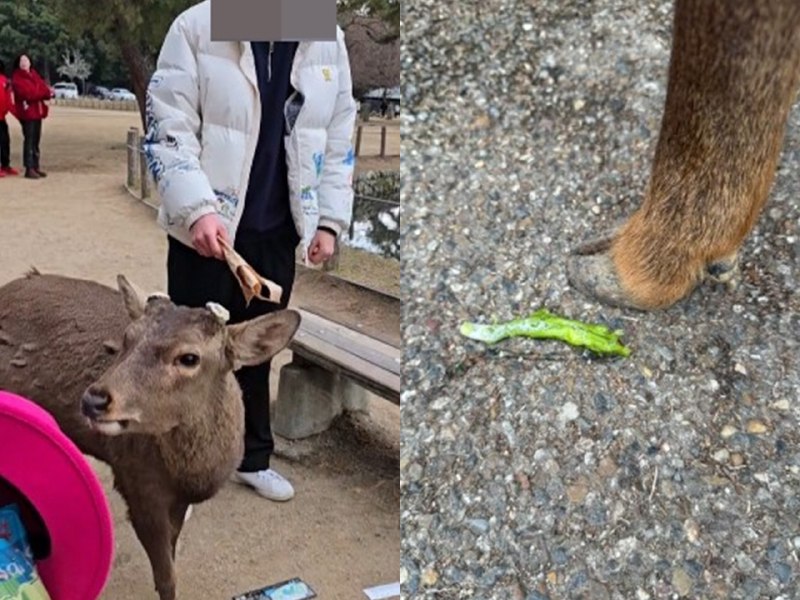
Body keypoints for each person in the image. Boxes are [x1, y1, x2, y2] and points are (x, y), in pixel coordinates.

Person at [144, 0, 357, 502]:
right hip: (209, 232)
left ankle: (252, 457)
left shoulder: (324, 35)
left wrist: (328, 219)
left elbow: (339, 129)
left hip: (277, 229)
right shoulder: (198, 27)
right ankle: (178, 461)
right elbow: (169, 128)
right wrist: (196, 208)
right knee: (187, 351)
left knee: (257, 350)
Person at [11, 54, 52, 180]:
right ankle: (29, 167)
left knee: (36, 140)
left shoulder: (34, 75)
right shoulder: (17, 78)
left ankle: (36, 165)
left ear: (30, 62)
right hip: (27, 113)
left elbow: (45, 91)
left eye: (26, 60)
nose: (24, 63)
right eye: (21, 61)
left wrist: (40, 92)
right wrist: (40, 93)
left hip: (37, 112)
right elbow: (27, 94)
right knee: (29, 140)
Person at [0, 60, 19, 177]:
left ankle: (5, 165)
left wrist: (18, 116)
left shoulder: (5, 81)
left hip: (1, 118)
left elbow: (9, 101)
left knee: (5, 141)